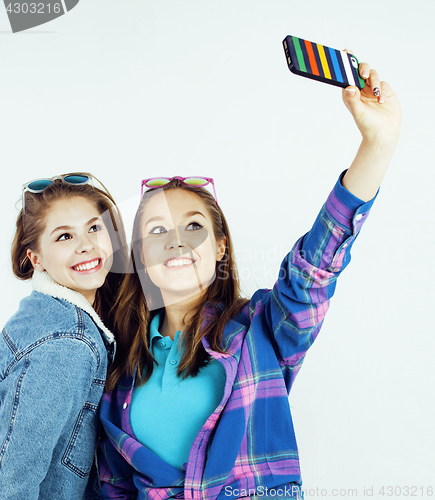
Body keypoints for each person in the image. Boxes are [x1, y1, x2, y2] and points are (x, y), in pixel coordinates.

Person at [98, 62, 401, 499]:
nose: (176, 242)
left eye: (194, 227)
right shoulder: (120, 361)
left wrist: (377, 144)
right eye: (157, 231)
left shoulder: (261, 329)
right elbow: (114, 485)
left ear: (221, 246)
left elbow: (314, 270)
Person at [0, 173, 127, 499]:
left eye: (94, 228)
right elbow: (13, 480)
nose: (86, 245)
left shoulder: (45, 312)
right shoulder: (67, 345)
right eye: (64, 237)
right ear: (36, 258)